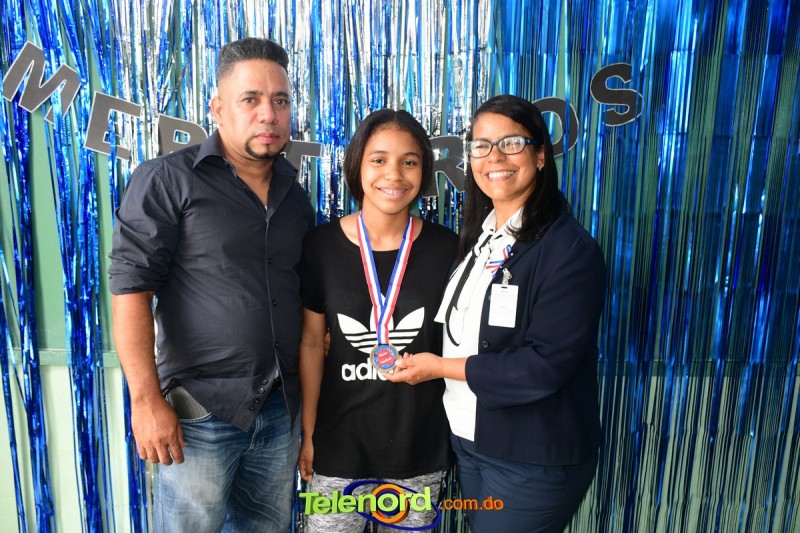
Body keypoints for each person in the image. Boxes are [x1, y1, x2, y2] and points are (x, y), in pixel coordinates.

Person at [109, 38, 314, 533]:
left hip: (280, 410)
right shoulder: (167, 180)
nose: (268, 114)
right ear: (218, 108)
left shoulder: (295, 196)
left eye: (280, 101)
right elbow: (131, 291)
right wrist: (145, 401)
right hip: (199, 415)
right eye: (251, 99)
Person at [385, 94, 606, 533]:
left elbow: (543, 365)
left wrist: (437, 368)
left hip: (530, 454)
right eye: (482, 146)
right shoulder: (483, 237)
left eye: (512, 143)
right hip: (469, 440)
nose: (495, 157)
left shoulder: (569, 250)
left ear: (540, 156)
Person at [297, 109, 457, 532]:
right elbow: (311, 344)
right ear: (357, 165)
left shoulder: (448, 249)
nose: (394, 174)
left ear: (424, 171)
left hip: (417, 449)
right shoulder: (320, 247)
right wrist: (308, 434)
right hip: (338, 447)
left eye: (409, 161)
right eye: (379, 159)